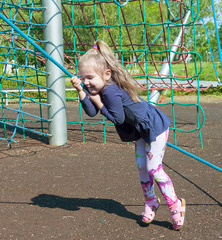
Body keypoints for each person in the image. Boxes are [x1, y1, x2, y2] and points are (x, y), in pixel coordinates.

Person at [70, 40, 186, 230]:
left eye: (89, 77)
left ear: (107, 74)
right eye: (83, 78)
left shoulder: (111, 90)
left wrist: (99, 102)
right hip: (139, 130)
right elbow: (91, 112)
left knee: (154, 168)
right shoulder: (99, 88)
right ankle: (151, 202)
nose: (86, 81)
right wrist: (81, 91)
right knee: (142, 166)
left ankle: (175, 204)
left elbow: (117, 118)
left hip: (154, 127)